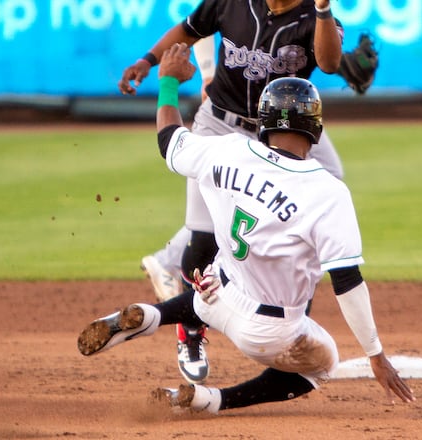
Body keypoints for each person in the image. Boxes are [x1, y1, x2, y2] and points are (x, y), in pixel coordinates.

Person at [78, 43, 414, 414]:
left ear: (264, 123)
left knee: (215, 283)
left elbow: (168, 140)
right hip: (268, 333)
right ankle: (211, 400)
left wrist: (169, 82)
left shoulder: (228, 149)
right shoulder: (328, 192)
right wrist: (375, 354)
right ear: (316, 130)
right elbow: (346, 280)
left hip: (215, 294)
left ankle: (152, 314)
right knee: (324, 364)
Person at [122, 0, 345, 385]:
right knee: (203, 237)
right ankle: (190, 333)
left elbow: (328, 63)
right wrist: (147, 60)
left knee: (326, 197)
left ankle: (294, 321)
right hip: (221, 124)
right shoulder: (231, 3)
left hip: (282, 132)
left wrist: (324, 12)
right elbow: (188, 31)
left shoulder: (313, 15)